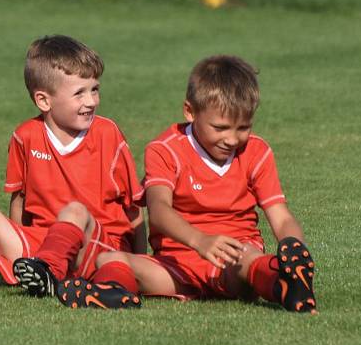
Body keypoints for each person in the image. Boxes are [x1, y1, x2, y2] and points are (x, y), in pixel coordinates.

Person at [53, 55, 317, 314]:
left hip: (233, 259)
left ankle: (287, 283)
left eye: (243, 127)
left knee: (248, 259)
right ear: (190, 112)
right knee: (110, 259)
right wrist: (200, 241)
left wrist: (292, 247)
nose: (232, 139)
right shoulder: (164, 150)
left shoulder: (257, 152)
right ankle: (114, 293)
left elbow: (281, 216)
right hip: (176, 265)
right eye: (221, 127)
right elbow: (158, 211)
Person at [0, 35, 145, 300]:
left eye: (94, 89)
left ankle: (48, 271)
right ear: (44, 101)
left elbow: (133, 208)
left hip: (96, 249)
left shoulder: (108, 133)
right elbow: (18, 201)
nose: (91, 100)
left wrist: (138, 263)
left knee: (74, 211)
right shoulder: (25, 136)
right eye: (79, 92)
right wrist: (20, 251)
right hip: (41, 248)